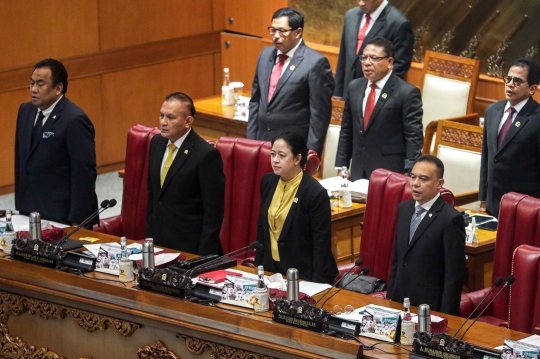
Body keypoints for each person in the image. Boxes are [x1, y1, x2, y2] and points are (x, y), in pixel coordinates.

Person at [14, 58, 98, 226]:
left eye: (40, 84)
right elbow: (21, 160)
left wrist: (78, 221)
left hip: (62, 215)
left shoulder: (74, 120)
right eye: (31, 83)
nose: (33, 89)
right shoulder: (25, 111)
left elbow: (84, 175)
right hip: (28, 212)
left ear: (58, 88)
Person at [247, 7, 335, 157]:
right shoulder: (264, 55)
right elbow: (255, 101)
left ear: (298, 32)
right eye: (272, 30)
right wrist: (250, 142)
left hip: (293, 149)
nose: (276, 36)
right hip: (261, 144)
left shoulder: (315, 63)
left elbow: (319, 116)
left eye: (282, 31)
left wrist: (311, 155)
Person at [145, 92, 225, 255]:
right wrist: (149, 239)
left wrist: (203, 256)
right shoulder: (157, 142)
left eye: (170, 117)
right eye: (161, 115)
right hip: (159, 243)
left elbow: (213, 212)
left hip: (189, 247)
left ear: (188, 121)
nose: (163, 122)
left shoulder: (205, 154)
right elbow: (154, 195)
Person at [254, 132, 338, 284]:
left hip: (304, 273)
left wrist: (317, 284)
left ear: (298, 159)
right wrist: (259, 268)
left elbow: (321, 244)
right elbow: (262, 228)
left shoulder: (314, 193)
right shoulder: (268, 182)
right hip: (271, 270)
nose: (275, 160)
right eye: (272, 154)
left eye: (281, 155)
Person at [387, 155, 466, 315]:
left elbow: (454, 276)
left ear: (439, 183)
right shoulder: (404, 209)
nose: (416, 183)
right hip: (399, 301)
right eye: (413, 176)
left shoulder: (450, 219)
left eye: (423, 179)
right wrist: (390, 298)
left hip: (430, 306)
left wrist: (446, 316)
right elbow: (398, 259)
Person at [335, 37, 423, 181]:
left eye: (374, 58)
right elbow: (347, 129)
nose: (367, 63)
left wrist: (410, 171)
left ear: (390, 62)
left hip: (390, 172)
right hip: (357, 169)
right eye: (364, 58)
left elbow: (413, 137)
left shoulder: (406, 93)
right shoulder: (354, 87)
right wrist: (342, 166)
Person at [480, 58, 540, 217]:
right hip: (493, 203)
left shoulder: (537, 118)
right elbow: (487, 157)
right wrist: (483, 199)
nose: (510, 84)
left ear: (532, 89)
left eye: (518, 81)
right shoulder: (492, 111)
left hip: (524, 206)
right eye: (508, 79)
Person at [334, 0, 413, 98]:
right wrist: (337, 95)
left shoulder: (399, 24)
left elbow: (399, 67)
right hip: (348, 95)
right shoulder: (351, 16)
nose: (360, 3)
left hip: (377, 98)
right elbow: (343, 58)